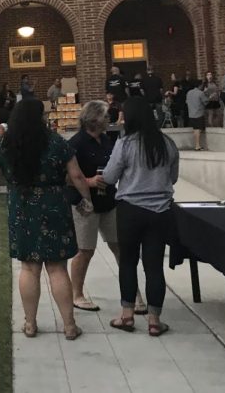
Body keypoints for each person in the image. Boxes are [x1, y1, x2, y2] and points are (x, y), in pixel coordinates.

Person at [0, 98, 92, 340]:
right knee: (57, 268)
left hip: (22, 205)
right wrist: (86, 199)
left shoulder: (6, 144)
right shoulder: (56, 142)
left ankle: (30, 324)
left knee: (29, 267)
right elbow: (76, 175)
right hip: (53, 205)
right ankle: (69, 325)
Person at [103, 96, 178, 337]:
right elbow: (173, 177)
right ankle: (155, 320)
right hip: (160, 210)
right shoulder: (167, 143)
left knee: (128, 262)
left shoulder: (125, 143)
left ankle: (127, 315)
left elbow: (109, 176)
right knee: (154, 266)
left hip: (130, 209)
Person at [67, 101, 144, 314]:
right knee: (85, 250)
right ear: (93, 119)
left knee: (120, 247)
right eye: (104, 116)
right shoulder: (76, 144)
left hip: (109, 201)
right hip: (85, 203)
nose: (109, 119)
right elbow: (65, 176)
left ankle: (133, 294)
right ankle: (77, 295)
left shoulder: (109, 140)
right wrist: (88, 181)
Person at [186, 80, 208, 151]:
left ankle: (197, 145)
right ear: (199, 85)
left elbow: (186, 102)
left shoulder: (189, 92)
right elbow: (206, 102)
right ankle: (197, 145)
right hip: (198, 114)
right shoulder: (200, 93)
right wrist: (209, 96)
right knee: (198, 130)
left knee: (195, 129)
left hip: (191, 114)